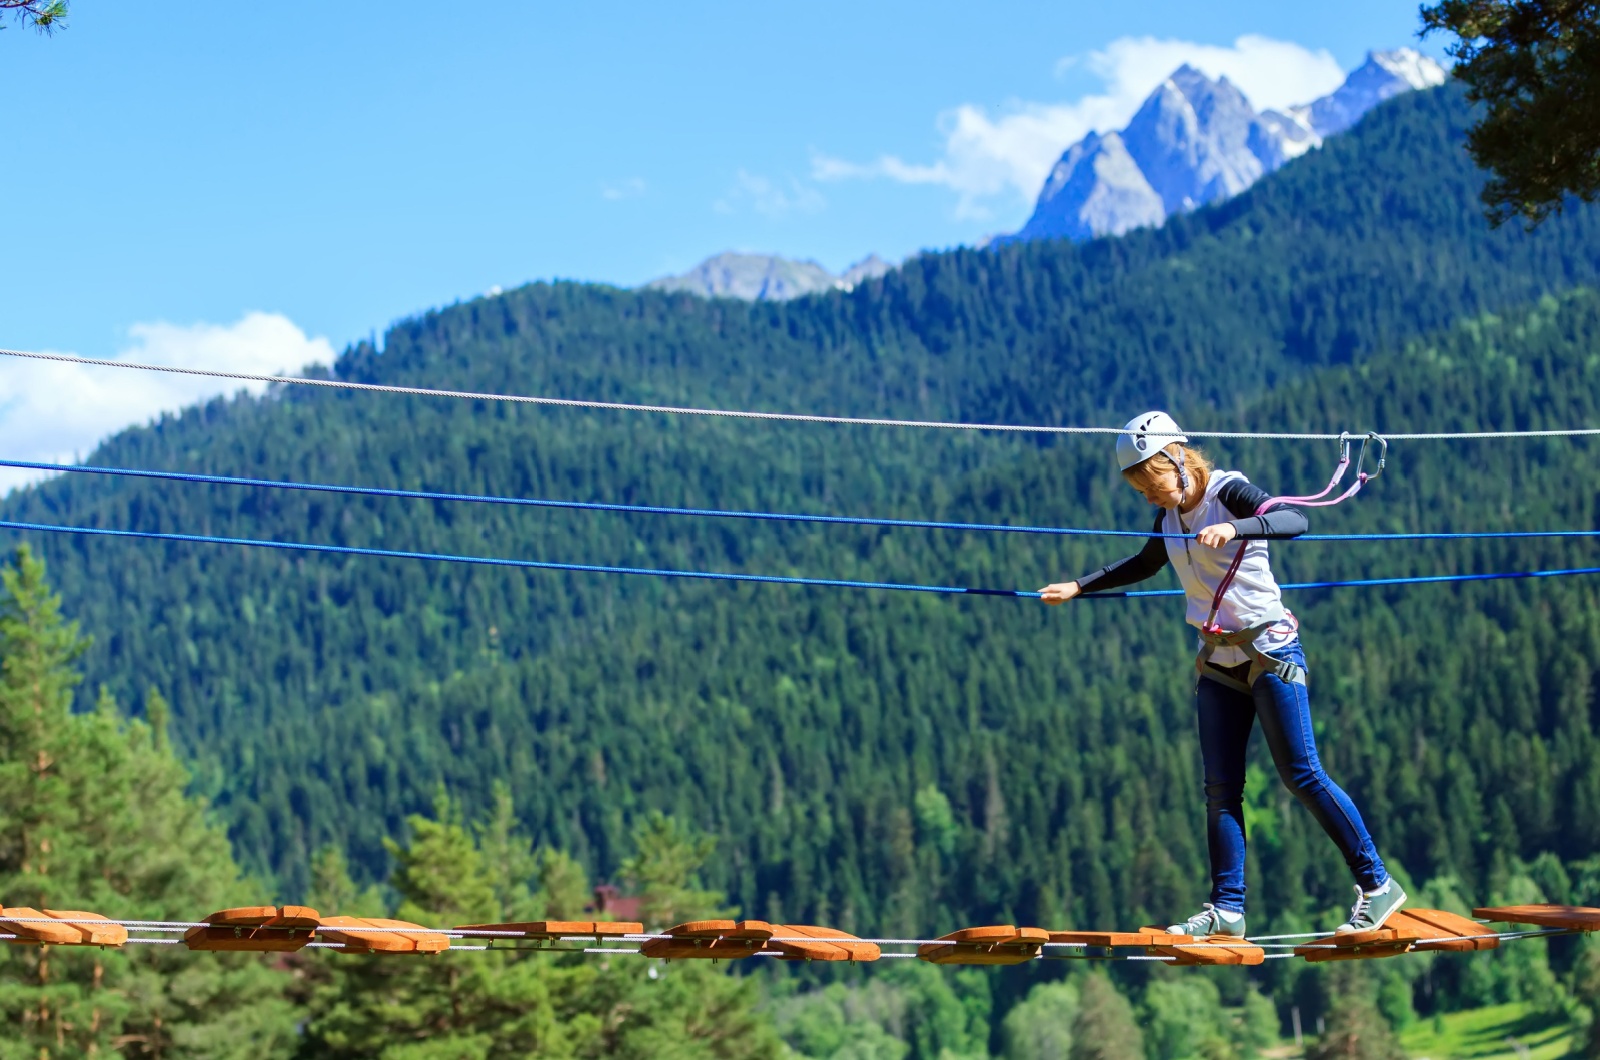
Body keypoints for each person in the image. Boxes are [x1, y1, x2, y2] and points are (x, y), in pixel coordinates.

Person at [1037, 411, 1404, 938]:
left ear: (1178, 460)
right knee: (1220, 790)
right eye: (1138, 489)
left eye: (1151, 482)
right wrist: (1078, 585)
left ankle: (1377, 885)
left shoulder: (1228, 491)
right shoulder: (1168, 519)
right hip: (1217, 662)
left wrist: (1235, 526)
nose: (1147, 496)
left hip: (1270, 649)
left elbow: (1293, 521)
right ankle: (1227, 911)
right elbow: (1145, 563)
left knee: (1302, 775)